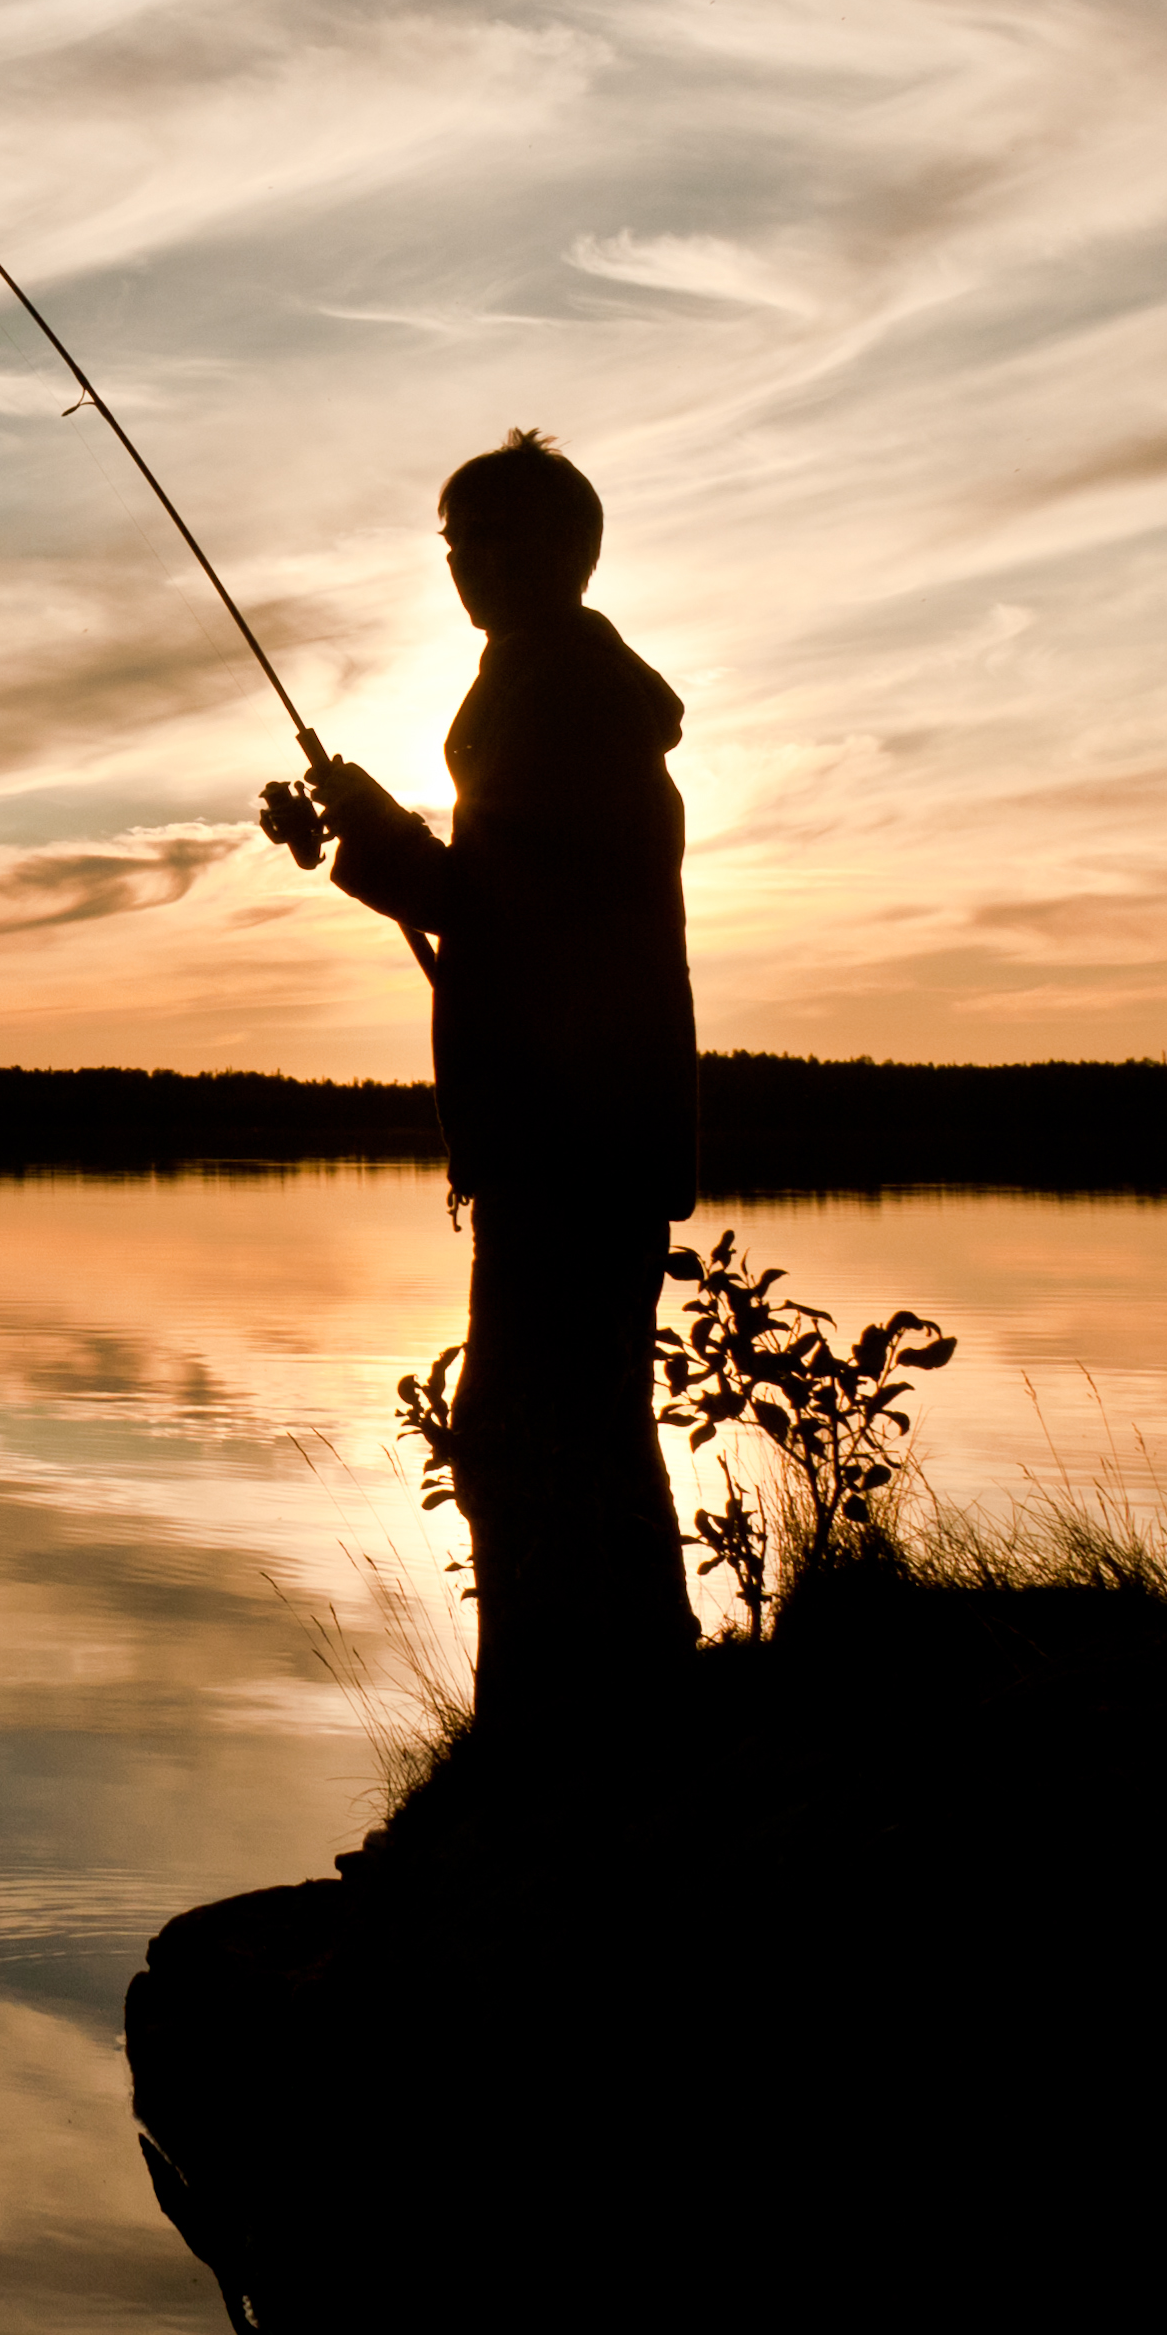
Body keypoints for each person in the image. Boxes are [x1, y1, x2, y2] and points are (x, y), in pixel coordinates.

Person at [259, 430, 700, 1712]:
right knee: (573, 1430)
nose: (467, 566)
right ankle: (613, 1705)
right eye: (454, 545)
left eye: (491, 540)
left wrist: (383, 838)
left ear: (562, 551)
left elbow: (504, 909)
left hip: (571, 1128)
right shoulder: (554, 685)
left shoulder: (557, 693)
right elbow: (510, 904)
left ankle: (559, 1730)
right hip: (577, 1122)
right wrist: (367, 829)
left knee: (525, 1436)